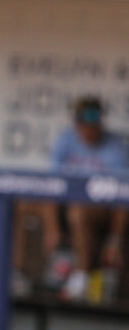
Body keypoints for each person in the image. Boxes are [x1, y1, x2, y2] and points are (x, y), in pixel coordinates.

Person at [48, 96, 129, 300]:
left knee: (80, 210)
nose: (87, 130)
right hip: (64, 208)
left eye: (92, 125)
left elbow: (122, 197)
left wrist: (114, 239)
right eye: (83, 125)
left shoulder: (116, 147)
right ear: (76, 125)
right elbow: (49, 183)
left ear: (101, 123)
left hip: (102, 211)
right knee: (22, 202)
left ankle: (81, 277)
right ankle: (15, 273)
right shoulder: (66, 139)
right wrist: (52, 228)